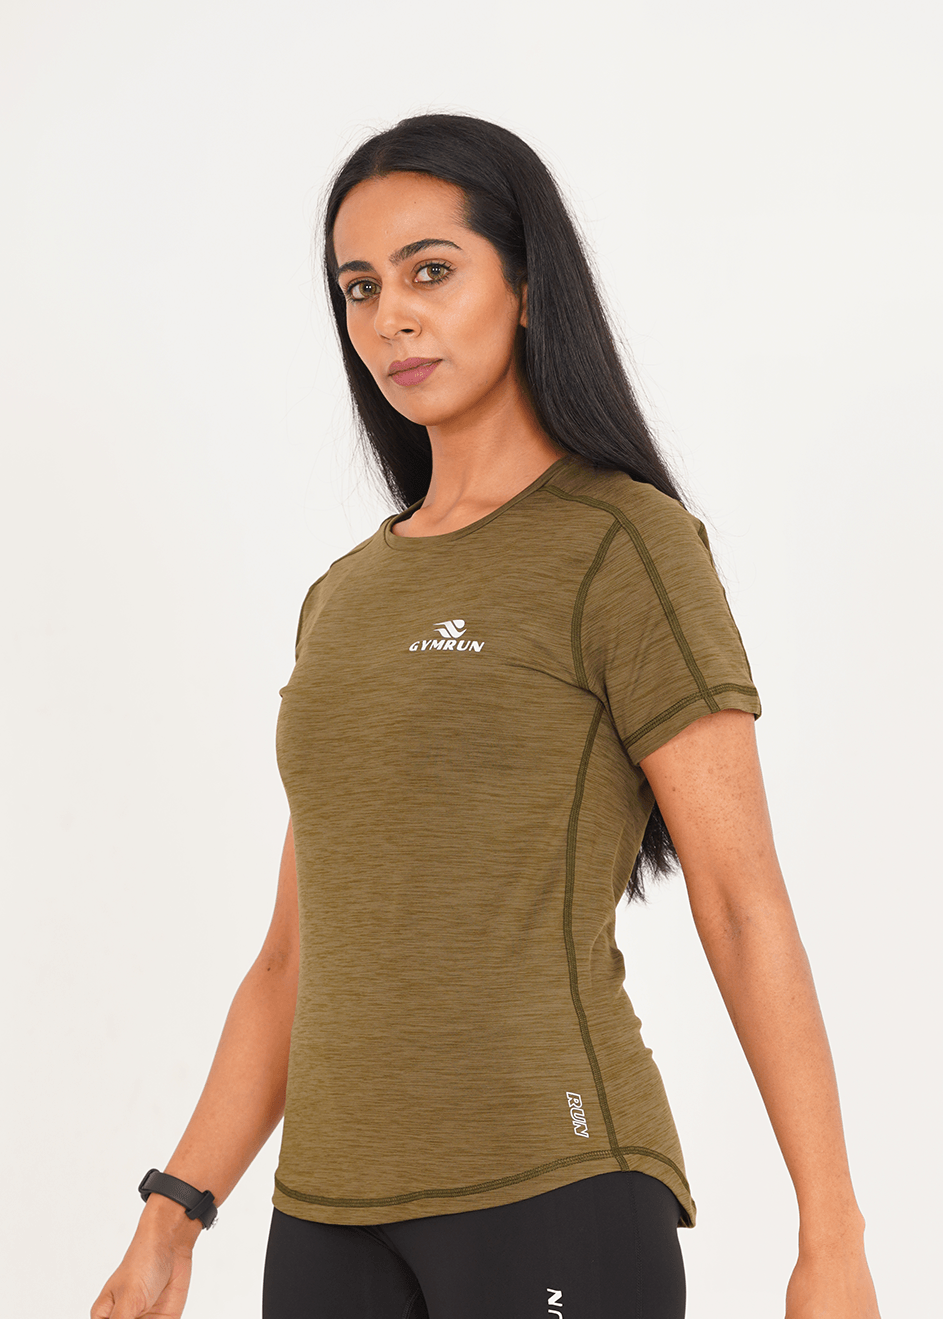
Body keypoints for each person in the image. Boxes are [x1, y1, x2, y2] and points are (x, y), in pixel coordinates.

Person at [91, 113, 882, 1319]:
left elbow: (740, 900)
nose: (389, 317)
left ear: (523, 285)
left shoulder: (622, 542)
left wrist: (831, 1234)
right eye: (360, 287)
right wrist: (172, 1212)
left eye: (430, 271)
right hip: (324, 1215)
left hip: (551, 1181)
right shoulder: (344, 597)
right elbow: (294, 955)